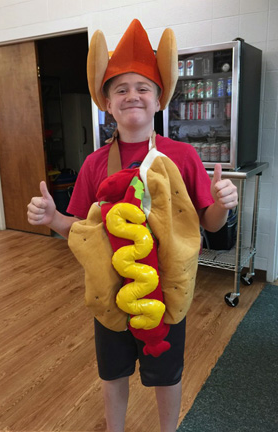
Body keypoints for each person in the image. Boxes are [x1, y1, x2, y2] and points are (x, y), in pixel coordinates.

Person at [28, 19, 238, 432]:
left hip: (167, 290)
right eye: (120, 89)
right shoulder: (93, 164)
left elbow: (209, 225)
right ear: (107, 103)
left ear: (160, 100)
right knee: (113, 373)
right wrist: (53, 218)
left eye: (143, 87)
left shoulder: (182, 157)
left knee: (167, 374)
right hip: (110, 289)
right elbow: (82, 230)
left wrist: (223, 205)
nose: (132, 96)